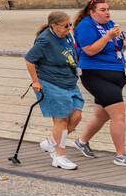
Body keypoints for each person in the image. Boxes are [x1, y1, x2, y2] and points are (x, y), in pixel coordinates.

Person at [71, 0, 126, 167]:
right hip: (95, 75)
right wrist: (109, 36)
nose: (107, 12)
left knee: (101, 115)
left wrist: (123, 42)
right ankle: (120, 155)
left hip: (116, 74)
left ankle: (81, 141)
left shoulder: (109, 24)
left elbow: (114, 48)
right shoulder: (86, 26)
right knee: (119, 115)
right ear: (92, 12)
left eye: (108, 9)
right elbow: (90, 50)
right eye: (102, 10)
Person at [23, 11, 83, 169]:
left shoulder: (67, 35)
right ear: (53, 26)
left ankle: (51, 142)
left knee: (76, 116)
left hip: (69, 81)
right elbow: (29, 59)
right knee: (61, 120)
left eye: (70, 25)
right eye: (65, 26)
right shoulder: (44, 41)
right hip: (50, 82)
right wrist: (35, 81)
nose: (69, 28)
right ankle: (59, 156)